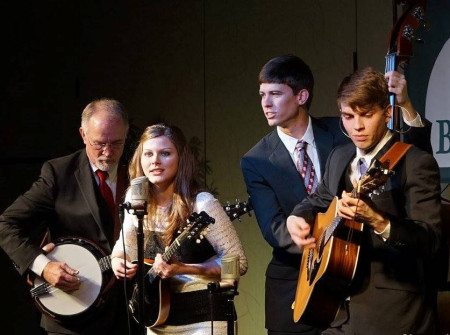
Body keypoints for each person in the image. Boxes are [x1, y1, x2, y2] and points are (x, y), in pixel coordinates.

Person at [240, 54, 432, 334]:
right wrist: (303, 226)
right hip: (298, 282)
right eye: (262, 95)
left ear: (301, 96)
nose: (265, 103)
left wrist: (405, 105)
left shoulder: (343, 132)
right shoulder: (255, 160)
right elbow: (278, 226)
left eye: (275, 94)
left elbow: (407, 157)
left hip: (367, 289)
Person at [286, 67, 443, 335]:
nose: (356, 126)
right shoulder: (339, 156)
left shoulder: (415, 162)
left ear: (388, 113)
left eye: (367, 115)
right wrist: (297, 218)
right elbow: (319, 199)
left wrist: (377, 220)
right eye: (348, 116)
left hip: (394, 312)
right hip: (339, 308)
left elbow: (431, 241)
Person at [0, 98, 133, 335]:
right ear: (83, 134)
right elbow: (5, 225)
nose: (108, 153)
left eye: (117, 143)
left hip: (127, 316)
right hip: (71, 317)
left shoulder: (138, 174)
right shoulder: (59, 174)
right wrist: (43, 266)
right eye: (99, 144)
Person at [111, 123, 248, 334]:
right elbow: (125, 248)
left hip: (205, 317)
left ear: (180, 159)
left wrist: (184, 268)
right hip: (157, 318)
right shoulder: (136, 199)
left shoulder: (202, 203)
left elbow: (238, 262)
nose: (155, 161)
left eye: (165, 153)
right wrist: (117, 261)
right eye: (148, 154)